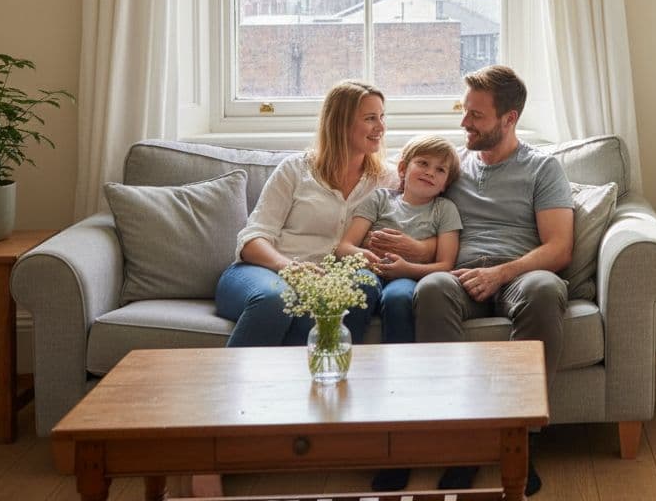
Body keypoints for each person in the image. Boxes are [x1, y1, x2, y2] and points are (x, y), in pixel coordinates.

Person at [415, 65, 574, 496]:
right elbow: (414, 211)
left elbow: (560, 247)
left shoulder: (542, 169)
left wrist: (502, 272)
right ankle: (462, 443)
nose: (464, 123)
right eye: (464, 110)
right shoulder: (453, 168)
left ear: (509, 119)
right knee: (431, 288)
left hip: (520, 273)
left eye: (476, 115)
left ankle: (520, 441)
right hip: (462, 274)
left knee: (544, 289)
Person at [215, 80, 396, 347]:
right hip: (265, 272)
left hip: (330, 282)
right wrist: (290, 269)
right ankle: (231, 377)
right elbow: (253, 239)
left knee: (361, 287)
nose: (381, 127)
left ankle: (321, 367)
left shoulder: (387, 180)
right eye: (370, 118)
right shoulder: (295, 169)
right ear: (340, 123)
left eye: (382, 117)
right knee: (276, 300)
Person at [335, 134, 463, 345]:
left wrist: (406, 269)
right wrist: (368, 258)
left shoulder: (445, 210)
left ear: (445, 184)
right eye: (423, 163)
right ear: (403, 169)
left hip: (407, 278)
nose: (430, 172)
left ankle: (400, 362)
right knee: (361, 285)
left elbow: (445, 265)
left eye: (440, 170)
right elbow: (344, 247)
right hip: (368, 270)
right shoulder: (379, 198)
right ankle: (344, 353)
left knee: (399, 298)